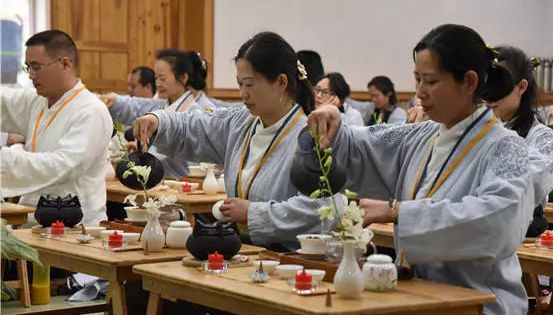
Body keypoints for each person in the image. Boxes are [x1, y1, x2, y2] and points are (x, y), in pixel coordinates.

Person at [307, 24, 533, 314]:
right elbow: (364, 145)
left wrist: (397, 212)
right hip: (421, 296)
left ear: (469, 82)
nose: (419, 93)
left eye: (431, 81)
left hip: (481, 303)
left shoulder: (505, 146)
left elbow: (496, 223)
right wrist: (334, 122)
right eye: (417, 80)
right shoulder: (422, 135)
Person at [133, 32, 344, 251]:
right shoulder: (242, 120)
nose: (242, 93)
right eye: (239, 84)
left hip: (291, 260)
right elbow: (197, 124)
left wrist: (253, 213)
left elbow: (323, 208)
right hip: (240, 251)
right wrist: (159, 121)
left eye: (250, 84)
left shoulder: (310, 136)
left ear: (281, 82)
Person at [1, 30, 112, 225]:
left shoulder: (91, 110)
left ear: (65, 64)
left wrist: (6, 158)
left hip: (77, 224)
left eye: (36, 67)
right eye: (28, 68)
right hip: (33, 217)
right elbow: (4, 103)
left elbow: (62, 165)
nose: (31, 76)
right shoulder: (37, 101)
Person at [103, 49, 216, 179]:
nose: (158, 83)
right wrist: (114, 100)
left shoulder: (195, 114)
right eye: (156, 78)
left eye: (162, 78)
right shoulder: (160, 105)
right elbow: (135, 105)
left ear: (183, 78)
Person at [487, 46, 553, 237]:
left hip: (520, 232)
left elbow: (530, 182)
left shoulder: (541, 136)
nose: (490, 96)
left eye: (500, 86)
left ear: (522, 87)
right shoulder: (478, 128)